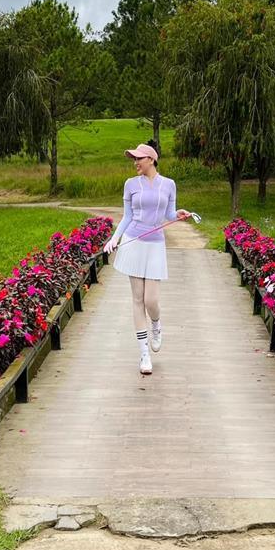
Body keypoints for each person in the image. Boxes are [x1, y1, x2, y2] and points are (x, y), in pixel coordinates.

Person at [103, 140, 191, 375]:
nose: (135, 162)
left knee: (151, 301)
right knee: (138, 299)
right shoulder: (130, 184)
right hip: (134, 243)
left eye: (138, 158)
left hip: (155, 246)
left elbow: (169, 213)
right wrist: (115, 239)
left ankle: (156, 324)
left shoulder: (169, 185)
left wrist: (178, 214)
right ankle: (144, 355)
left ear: (151, 159)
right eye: (134, 158)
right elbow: (127, 216)